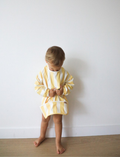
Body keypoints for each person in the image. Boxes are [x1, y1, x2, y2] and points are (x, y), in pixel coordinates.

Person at [34, 46, 74, 154]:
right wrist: (47, 92)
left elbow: (70, 83)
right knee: (44, 120)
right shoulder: (43, 72)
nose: (56, 71)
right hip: (47, 101)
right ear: (46, 61)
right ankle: (42, 136)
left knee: (57, 121)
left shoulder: (64, 72)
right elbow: (37, 86)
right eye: (53, 69)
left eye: (58, 69)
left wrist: (63, 90)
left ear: (62, 63)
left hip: (58, 101)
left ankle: (58, 142)